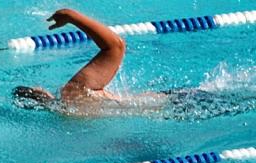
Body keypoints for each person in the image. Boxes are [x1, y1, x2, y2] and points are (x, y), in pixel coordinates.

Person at [13, 7, 240, 117]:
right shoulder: (74, 92)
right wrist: (72, 16)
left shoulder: (71, 115)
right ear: (40, 93)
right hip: (181, 101)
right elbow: (115, 47)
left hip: (171, 114)